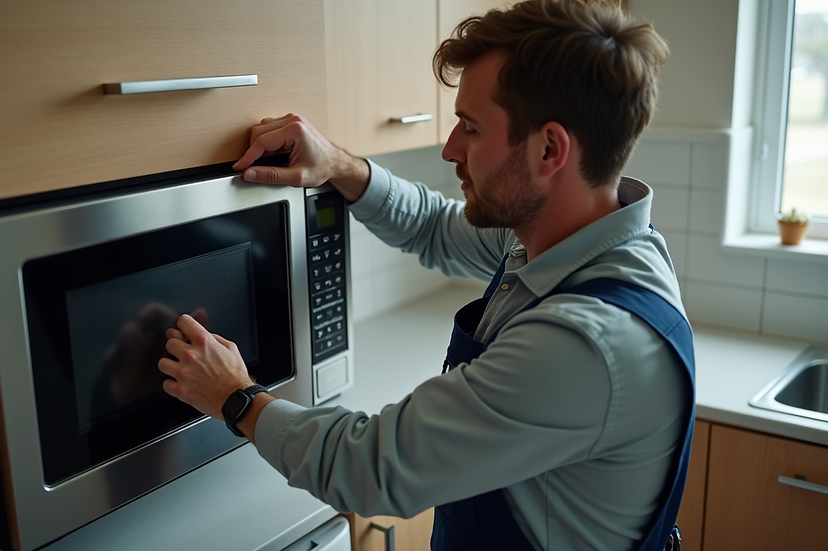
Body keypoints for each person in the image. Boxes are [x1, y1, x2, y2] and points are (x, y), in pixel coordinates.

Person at [157, 1, 695, 549]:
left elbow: (371, 467)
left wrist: (235, 396)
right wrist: (341, 167)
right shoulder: (586, 243)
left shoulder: (584, 345)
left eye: (471, 128)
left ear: (550, 149)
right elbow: (435, 229)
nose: (449, 149)